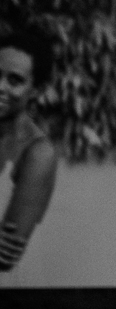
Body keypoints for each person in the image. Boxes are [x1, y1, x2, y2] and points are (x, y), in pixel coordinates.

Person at [0, 20, 60, 272]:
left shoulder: (38, 153)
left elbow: (4, 259)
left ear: (36, 90)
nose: (0, 87)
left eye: (14, 81)